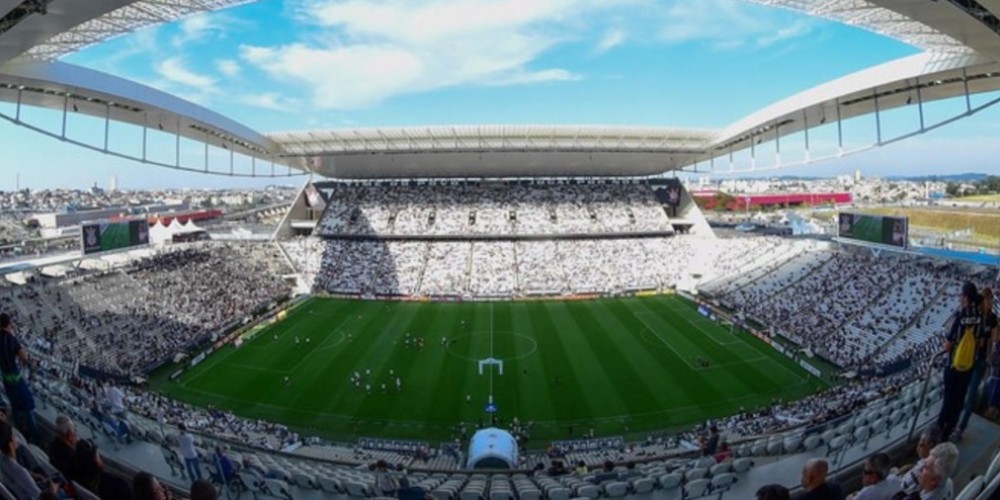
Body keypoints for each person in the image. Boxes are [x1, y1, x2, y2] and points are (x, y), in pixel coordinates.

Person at [937, 282, 987, 441]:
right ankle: (949, 431)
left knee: (948, 400)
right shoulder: (980, 317)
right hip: (969, 366)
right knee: (959, 401)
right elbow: (980, 342)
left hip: (954, 365)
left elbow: (948, 344)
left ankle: (938, 434)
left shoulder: (959, 316)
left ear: (965, 297)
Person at [955, 287, 998, 437]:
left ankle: (960, 426)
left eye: (990, 299)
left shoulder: (990, 318)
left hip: (977, 360)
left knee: (970, 393)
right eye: (987, 299)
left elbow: (994, 339)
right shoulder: (981, 316)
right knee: (965, 392)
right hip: (972, 358)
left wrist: (989, 354)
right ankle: (958, 425)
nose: (989, 301)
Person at [0, 313, 38, 443]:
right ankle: (35, 437)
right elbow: (24, 357)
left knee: (15, 405)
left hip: (5, 377)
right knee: (28, 406)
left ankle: (21, 432)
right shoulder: (11, 339)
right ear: (9, 324)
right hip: (15, 377)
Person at [0, 419, 55, 499]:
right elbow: (40, 496)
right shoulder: (19, 471)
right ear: (11, 444)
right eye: (13, 436)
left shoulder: (4, 460)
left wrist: (31, 474)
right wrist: (53, 489)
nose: (16, 438)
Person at [898, 426, 943, 494]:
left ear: (931, 446)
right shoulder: (938, 461)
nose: (918, 447)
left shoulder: (919, 472)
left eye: (921, 444)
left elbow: (901, 487)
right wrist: (911, 466)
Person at [48, 414, 77, 480]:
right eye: (74, 430)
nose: (75, 432)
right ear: (70, 434)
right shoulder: (71, 453)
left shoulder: (53, 444)